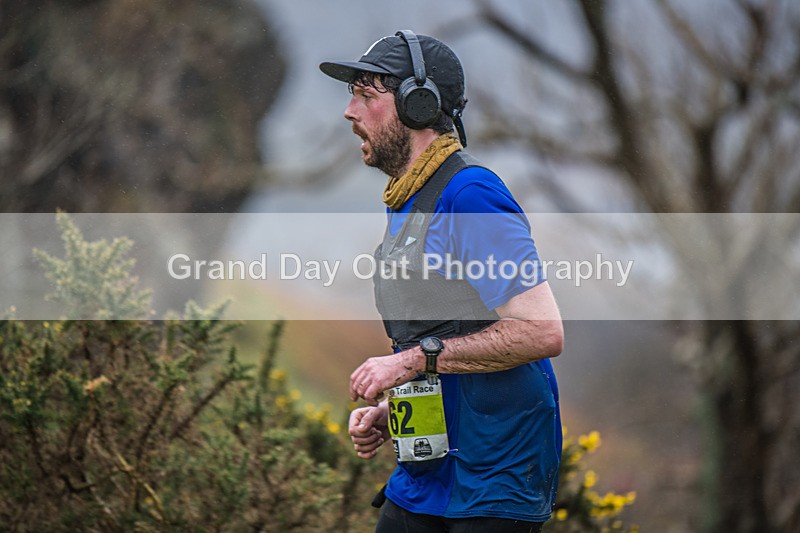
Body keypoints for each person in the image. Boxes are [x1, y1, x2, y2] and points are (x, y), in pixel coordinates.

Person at [320, 30, 564, 533]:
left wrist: (410, 360)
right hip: (426, 473)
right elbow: (449, 331)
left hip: (495, 480)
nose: (350, 111)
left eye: (366, 96)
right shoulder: (407, 197)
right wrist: (395, 413)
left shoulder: (470, 193)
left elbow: (542, 332)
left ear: (418, 104)